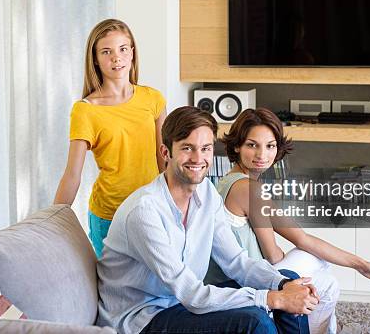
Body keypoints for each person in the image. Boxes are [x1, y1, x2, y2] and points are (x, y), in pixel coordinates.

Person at [97, 106, 321, 334]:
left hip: (180, 303)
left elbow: (236, 262)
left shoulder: (206, 192)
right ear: (166, 153)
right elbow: (192, 294)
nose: (198, 158)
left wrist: (283, 286)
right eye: (187, 148)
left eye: (205, 148)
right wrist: (274, 299)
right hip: (143, 317)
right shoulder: (144, 211)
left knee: (291, 280)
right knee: (254, 320)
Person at [206, 108, 370, 333]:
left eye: (270, 146)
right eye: (252, 145)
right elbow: (273, 255)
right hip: (239, 281)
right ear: (237, 146)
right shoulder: (248, 189)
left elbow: (301, 237)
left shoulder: (230, 181)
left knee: (327, 282)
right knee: (316, 263)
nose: (262, 155)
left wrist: (363, 265)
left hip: (235, 277)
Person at [53, 18, 166, 257]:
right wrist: (51, 220)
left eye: (123, 49)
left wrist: (175, 205)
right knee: (113, 288)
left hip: (151, 208)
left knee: (152, 284)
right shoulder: (85, 110)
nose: (117, 57)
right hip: (109, 213)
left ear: (132, 53)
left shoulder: (152, 99)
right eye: (107, 51)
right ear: (95, 59)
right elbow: (73, 174)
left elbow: (163, 157)